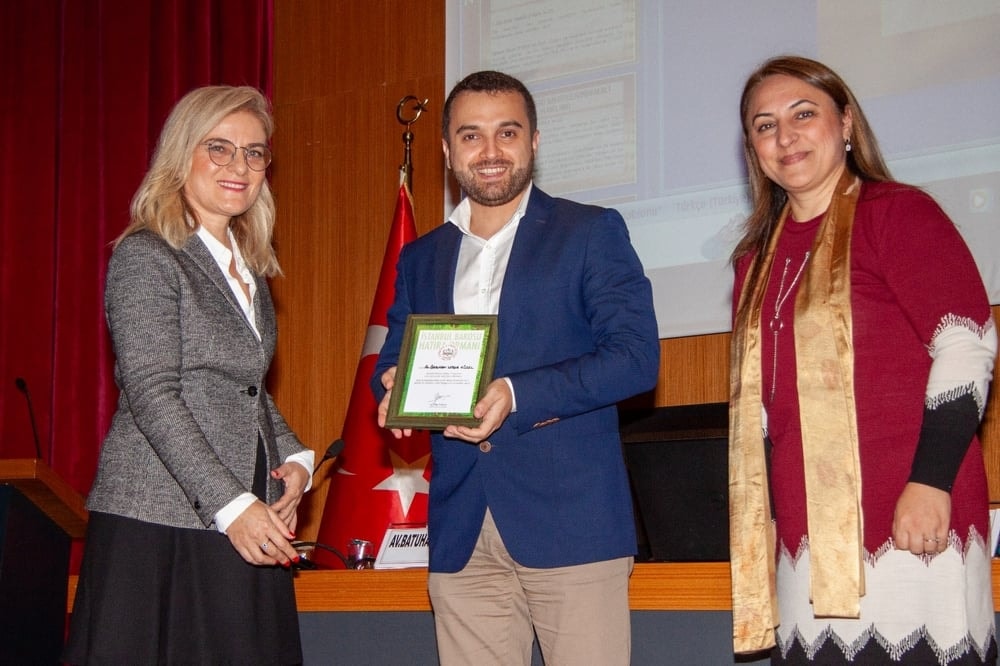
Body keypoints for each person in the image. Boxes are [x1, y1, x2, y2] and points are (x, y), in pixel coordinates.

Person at [372, 70, 659, 665]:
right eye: (471, 136)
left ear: (534, 142)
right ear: (447, 150)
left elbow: (635, 359)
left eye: (507, 132)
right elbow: (397, 352)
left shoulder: (589, 231)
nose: (491, 151)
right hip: (460, 525)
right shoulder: (421, 257)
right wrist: (395, 383)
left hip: (572, 522)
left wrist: (514, 392)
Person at [728, 55, 998, 664]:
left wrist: (930, 480)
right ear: (753, 148)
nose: (785, 136)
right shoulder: (753, 263)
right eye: (765, 125)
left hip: (910, 514)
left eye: (803, 114)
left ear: (846, 123)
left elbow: (966, 343)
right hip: (804, 541)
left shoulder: (897, 213)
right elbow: (765, 408)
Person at [63, 85, 313, 665]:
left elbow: (245, 390)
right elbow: (153, 392)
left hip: (239, 507)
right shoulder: (147, 255)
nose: (238, 166)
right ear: (182, 155)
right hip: (158, 520)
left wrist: (295, 460)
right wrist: (232, 505)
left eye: (254, 152)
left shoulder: (249, 270)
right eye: (218, 148)